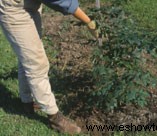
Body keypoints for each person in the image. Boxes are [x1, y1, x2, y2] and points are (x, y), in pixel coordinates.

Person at [0, 0, 98, 134]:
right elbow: (61, 1)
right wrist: (89, 21)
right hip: (15, 10)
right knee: (36, 64)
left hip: (30, 4)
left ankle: (27, 102)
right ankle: (55, 118)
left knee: (28, 57)